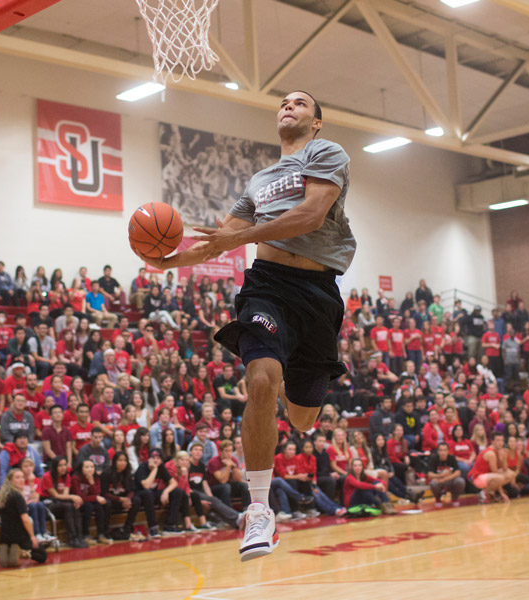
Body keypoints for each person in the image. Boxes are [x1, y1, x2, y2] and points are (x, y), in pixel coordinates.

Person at [137, 91, 353, 560]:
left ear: (316, 121)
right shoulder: (258, 181)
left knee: (301, 419)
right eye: (282, 102)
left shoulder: (326, 153)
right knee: (259, 379)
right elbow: (217, 241)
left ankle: (282, 369)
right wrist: (164, 261)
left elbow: (311, 214)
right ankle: (259, 512)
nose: (288, 107)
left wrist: (243, 235)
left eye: (299, 103)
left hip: (318, 295)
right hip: (267, 286)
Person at [0, 469, 49, 567]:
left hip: (4, 536)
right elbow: (25, 519)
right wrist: (32, 537)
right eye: (17, 477)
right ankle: (21, 552)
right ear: (10, 480)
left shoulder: (2, 495)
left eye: (22, 477)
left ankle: (7, 549)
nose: (21, 480)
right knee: (42, 555)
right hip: (19, 536)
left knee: (8, 560)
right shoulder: (18, 496)